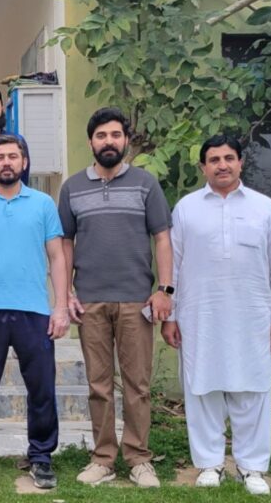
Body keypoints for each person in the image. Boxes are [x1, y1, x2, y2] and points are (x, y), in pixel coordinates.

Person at [162, 134, 271, 496]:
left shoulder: (264, 208)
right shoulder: (186, 208)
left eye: (229, 158)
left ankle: (252, 468)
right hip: (199, 315)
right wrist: (169, 315)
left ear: (241, 163)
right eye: (214, 159)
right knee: (202, 388)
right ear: (203, 167)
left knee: (252, 389)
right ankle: (210, 463)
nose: (222, 164)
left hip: (252, 314)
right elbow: (172, 265)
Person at [58, 108, 171, 488]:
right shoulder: (72, 188)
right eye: (102, 135)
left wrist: (164, 290)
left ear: (126, 140)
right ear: (91, 142)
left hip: (136, 300)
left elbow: (162, 238)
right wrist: (67, 293)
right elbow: (65, 242)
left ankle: (139, 458)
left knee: (137, 384)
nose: (109, 141)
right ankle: (103, 458)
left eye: (116, 135)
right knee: (99, 384)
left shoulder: (145, 184)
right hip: (90, 301)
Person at [0, 134, 69, 490]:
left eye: (13, 156)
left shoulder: (43, 204)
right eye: (0, 157)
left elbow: (57, 257)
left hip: (34, 310)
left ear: (24, 162)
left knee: (41, 388)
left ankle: (41, 456)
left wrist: (61, 307)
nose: (6, 162)